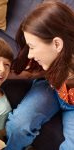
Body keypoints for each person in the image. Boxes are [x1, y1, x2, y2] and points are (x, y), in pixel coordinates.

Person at [5, 1, 74, 150]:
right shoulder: (51, 60)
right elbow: (29, 73)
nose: (30, 54)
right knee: (18, 125)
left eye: (32, 47)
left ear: (57, 44)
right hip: (52, 90)